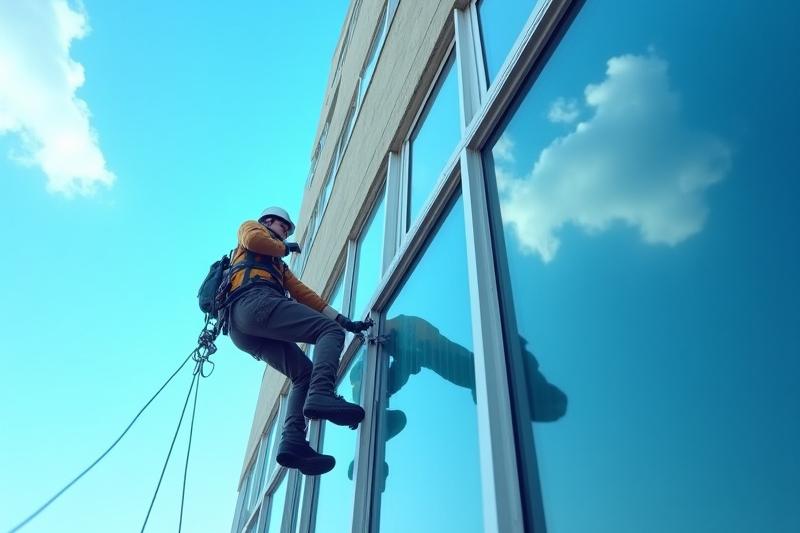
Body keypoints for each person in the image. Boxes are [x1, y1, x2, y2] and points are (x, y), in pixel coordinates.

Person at [223, 206, 371, 476]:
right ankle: (322, 395)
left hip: (245, 327)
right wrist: (285, 247)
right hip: (253, 303)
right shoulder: (250, 228)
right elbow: (255, 241)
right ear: (269, 221)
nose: (285, 233)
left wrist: (344, 321)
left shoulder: (277, 266)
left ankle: (292, 441)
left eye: (286, 231)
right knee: (329, 333)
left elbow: (304, 294)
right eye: (283, 228)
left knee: (303, 373)